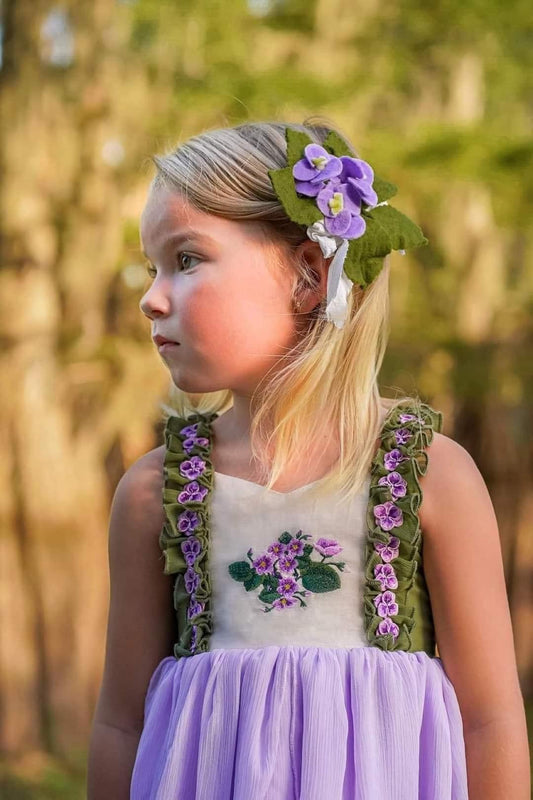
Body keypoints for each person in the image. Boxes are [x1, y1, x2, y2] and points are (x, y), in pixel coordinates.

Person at [87, 120, 530, 799]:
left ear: (307, 275)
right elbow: (121, 724)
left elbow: (490, 722)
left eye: (187, 259)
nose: (151, 297)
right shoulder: (155, 492)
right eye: (152, 268)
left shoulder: (427, 475)